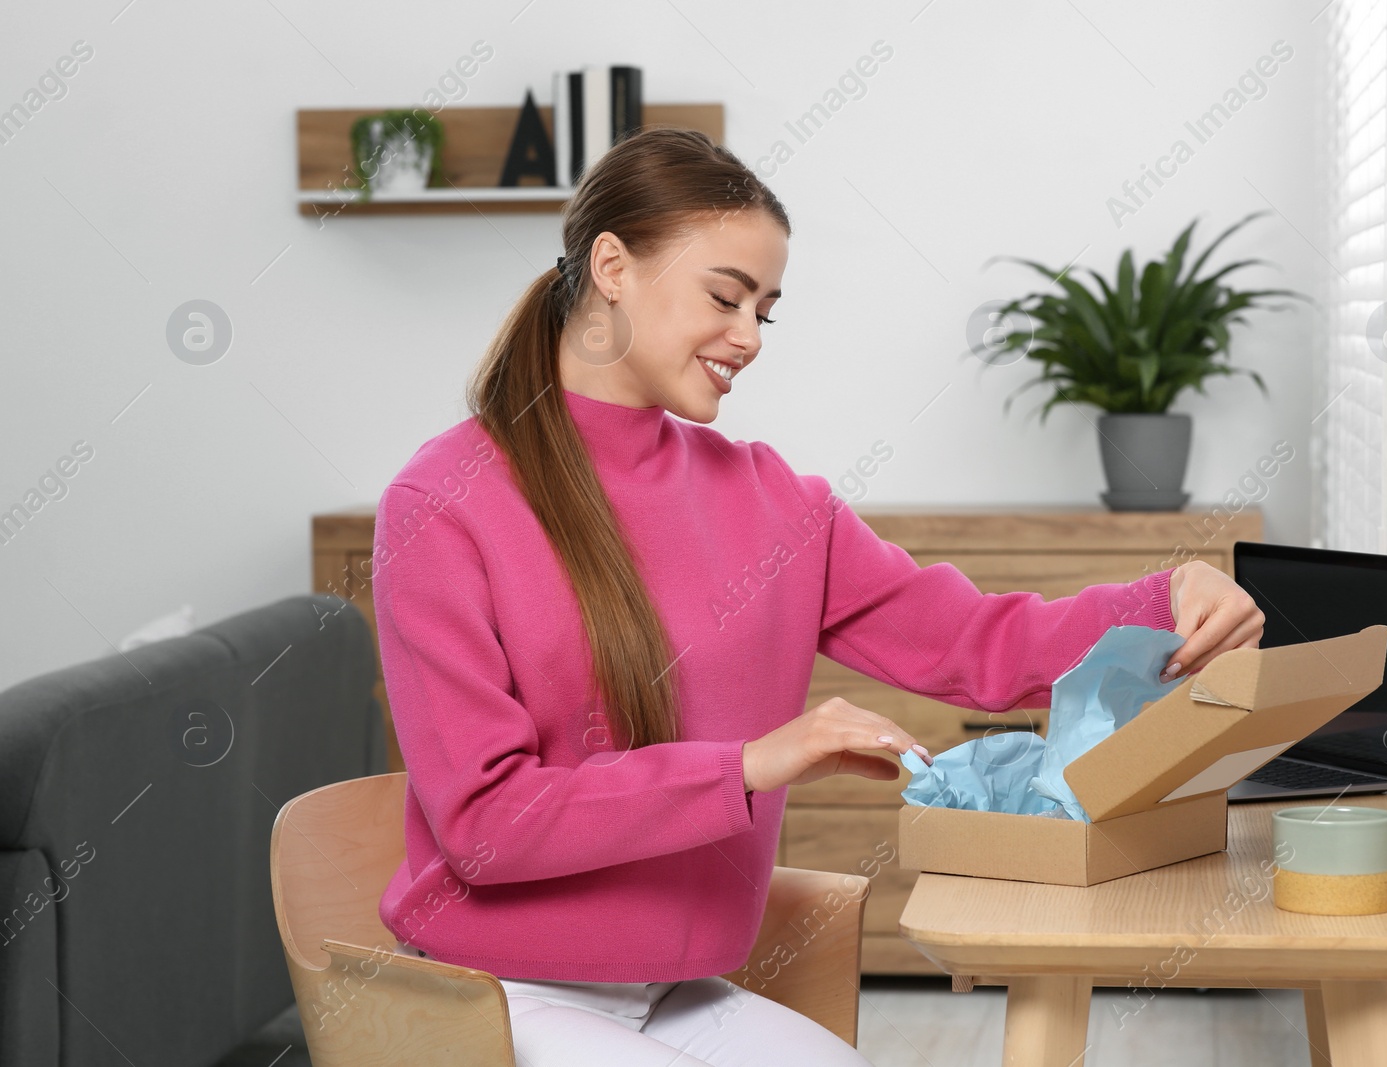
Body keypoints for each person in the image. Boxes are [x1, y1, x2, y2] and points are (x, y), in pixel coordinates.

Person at [369, 126, 1265, 1066]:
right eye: (725, 296)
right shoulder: (444, 506)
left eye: (767, 309)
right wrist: (751, 762)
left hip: (679, 992)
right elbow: (487, 825)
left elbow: (975, 644)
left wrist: (1168, 597)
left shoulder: (772, 503)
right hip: (493, 997)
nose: (749, 337)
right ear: (611, 267)